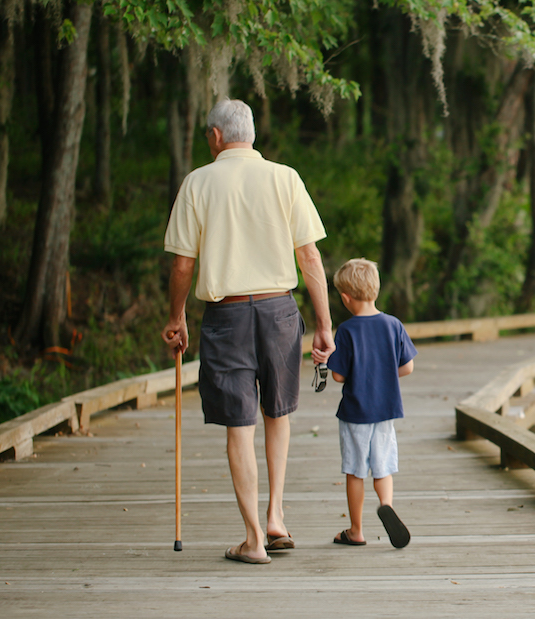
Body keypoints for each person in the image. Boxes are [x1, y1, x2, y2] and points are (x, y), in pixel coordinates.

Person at [161, 99, 334, 565]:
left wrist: (176, 317)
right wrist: (324, 323)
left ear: (216, 136)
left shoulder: (198, 182)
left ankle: (255, 538)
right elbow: (311, 258)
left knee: (240, 425)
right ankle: (276, 516)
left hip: (227, 315)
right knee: (278, 414)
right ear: (251, 134)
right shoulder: (286, 177)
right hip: (279, 311)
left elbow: (182, 265)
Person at [326, 258, 416, 549]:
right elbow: (408, 367)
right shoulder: (393, 325)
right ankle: (386, 504)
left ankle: (356, 530)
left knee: (355, 470)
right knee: (383, 466)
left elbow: (338, 376)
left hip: (355, 412)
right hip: (386, 409)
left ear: (345, 297)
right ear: (376, 290)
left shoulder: (347, 331)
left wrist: (327, 362)